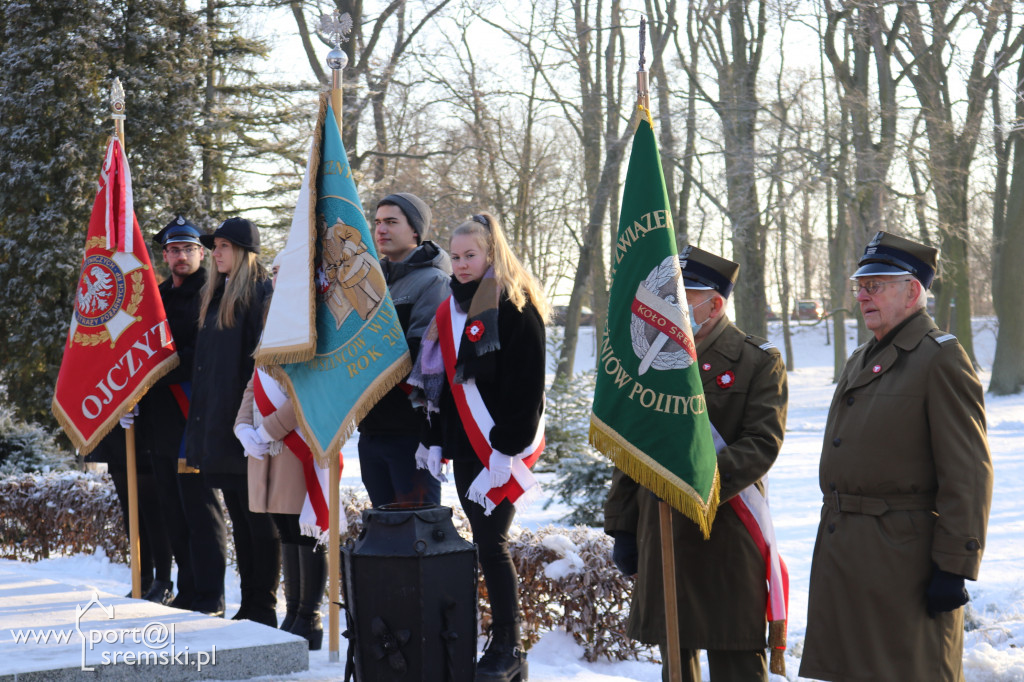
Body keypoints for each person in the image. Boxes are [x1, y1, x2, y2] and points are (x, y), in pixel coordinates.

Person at [799, 232, 993, 682]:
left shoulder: (940, 359)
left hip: (903, 561)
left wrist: (954, 565)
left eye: (877, 284)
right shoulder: (864, 356)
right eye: (860, 286)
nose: (863, 295)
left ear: (912, 290)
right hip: (846, 551)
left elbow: (967, 472)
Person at [604, 246, 788, 682]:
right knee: (676, 660)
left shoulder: (757, 361)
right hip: (663, 529)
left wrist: (696, 484)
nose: (669, 308)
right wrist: (623, 526)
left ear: (714, 303)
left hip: (726, 530)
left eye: (681, 298)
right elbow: (632, 449)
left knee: (737, 657)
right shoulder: (652, 361)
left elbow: (762, 443)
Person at [410, 212, 549, 682]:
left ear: (492, 254)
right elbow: (445, 383)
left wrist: (506, 451)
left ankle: (510, 646)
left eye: (472, 255)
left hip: (501, 448)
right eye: (458, 255)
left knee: (493, 544)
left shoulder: (515, 305)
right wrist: (432, 437)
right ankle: (503, 643)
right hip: (468, 446)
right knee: (486, 543)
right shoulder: (450, 307)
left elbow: (528, 385)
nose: (463, 264)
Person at [121, 216, 229, 615]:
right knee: (172, 510)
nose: (180, 257)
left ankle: (211, 594)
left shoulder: (212, 294)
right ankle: (188, 590)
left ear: (202, 252)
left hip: (194, 417)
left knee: (200, 510)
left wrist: (159, 368)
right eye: (172, 250)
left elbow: (203, 357)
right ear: (163, 255)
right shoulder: (155, 296)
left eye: (188, 249)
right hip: (159, 418)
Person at [185, 217, 280, 627]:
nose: (215, 252)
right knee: (241, 517)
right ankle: (251, 603)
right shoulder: (217, 294)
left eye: (223, 246)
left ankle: (265, 604)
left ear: (243, 251)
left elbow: (261, 368)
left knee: (260, 518)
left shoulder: (258, 294)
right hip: (222, 426)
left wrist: (253, 424)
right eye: (215, 246)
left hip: (250, 427)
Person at [233, 256, 329, 649]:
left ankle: (310, 615)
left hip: (297, 442)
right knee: (285, 528)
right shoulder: (271, 320)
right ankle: (293, 612)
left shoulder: (316, 324)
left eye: (281, 272)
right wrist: (242, 426)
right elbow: (255, 383)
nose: (274, 279)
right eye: (273, 273)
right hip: (266, 444)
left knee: (307, 530)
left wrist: (268, 428)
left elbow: (311, 388)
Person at [357, 192, 451, 507]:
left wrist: (358, 357)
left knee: (416, 535)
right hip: (372, 430)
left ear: (415, 230)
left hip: (410, 434)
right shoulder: (369, 284)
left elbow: (421, 356)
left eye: (391, 222)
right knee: (384, 536)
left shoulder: (434, 281)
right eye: (378, 222)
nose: (381, 229)